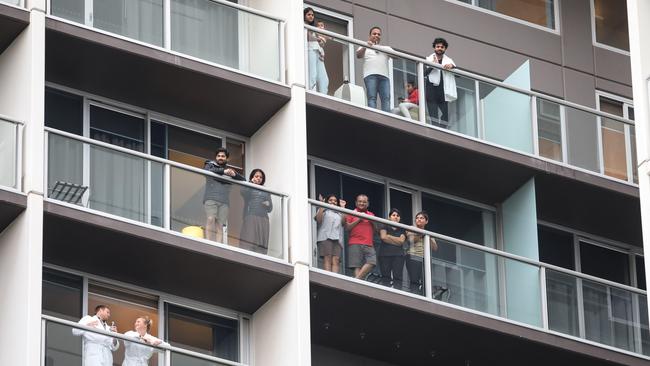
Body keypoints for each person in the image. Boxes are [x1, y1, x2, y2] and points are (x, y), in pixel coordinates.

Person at [203, 147, 245, 243]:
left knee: (220, 224)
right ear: (216, 157)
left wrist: (234, 175)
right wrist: (223, 172)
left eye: (223, 156)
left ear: (226, 158)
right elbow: (207, 171)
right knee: (210, 218)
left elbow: (243, 180)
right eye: (218, 156)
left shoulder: (229, 170)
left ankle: (218, 244)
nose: (220, 158)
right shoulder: (209, 164)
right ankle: (208, 242)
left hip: (224, 201)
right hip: (211, 197)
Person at [356, 26, 395, 112]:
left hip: (384, 77)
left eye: (379, 34)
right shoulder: (364, 46)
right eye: (374, 33)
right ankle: (372, 116)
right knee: (372, 97)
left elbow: (396, 56)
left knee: (386, 99)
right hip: (370, 75)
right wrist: (366, 46)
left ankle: (387, 118)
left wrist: (382, 49)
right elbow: (358, 55)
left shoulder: (386, 48)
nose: (376, 35)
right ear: (369, 35)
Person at [424, 37, 457, 127]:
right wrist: (432, 65)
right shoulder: (428, 59)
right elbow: (423, 73)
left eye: (442, 47)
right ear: (434, 48)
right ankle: (435, 130)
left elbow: (458, 74)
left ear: (445, 49)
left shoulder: (449, 60)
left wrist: (452, 67)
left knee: (445, 115)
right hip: (431, 90)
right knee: (433, 114)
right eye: (437, 46)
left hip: (443, 90)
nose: (439, 48)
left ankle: (442, 129)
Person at [239, 169, 273, 254]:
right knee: (250, 239)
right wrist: (251, 183)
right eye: (256, 176)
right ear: (252, 177)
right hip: (251, 215)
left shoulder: (265, 191)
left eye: (261, 177)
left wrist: (267, 204)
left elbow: (270, 208)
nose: (258, 178)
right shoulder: (248, 186)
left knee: (261, 243)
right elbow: (243, 193)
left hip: (263, 218)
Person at [345, 194, 377, 279]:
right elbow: (347, 228)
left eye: (364, 202)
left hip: (369, 243)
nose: (362, 203)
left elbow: (376, 231)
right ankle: (359, 285)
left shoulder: (371, 214)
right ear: (356, 203)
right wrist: (359, 219)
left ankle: (356, 280)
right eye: (360, 201)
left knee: (372, 262)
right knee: (356, 265)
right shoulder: (351, 213)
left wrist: (372, 220)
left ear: (367, 204)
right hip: (354, 242)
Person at [405, 211, 438, 294]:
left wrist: (428, 237)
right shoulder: (411, 228)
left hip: (425, 258)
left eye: (421, 218)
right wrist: (421, 234)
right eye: (417, 218)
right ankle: (415, 296)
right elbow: (411, 240)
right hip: (413, 256)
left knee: (426, 281)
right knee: (414, 279)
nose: (419, 219)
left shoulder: (428, 233)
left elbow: (435, 248)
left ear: (426, 221)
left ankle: (424, 296)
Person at [314, 193, 347, 273]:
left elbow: (343, 222)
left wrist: (343, 208)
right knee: (327, 257)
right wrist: (322, 204)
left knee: (336, 259)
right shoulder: (324, 210)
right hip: (325, 237)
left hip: (337, 239)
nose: (333, 202)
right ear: (327, 201)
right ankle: (328, 276)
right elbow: (318, 220)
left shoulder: (339, 213)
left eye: (335, 201)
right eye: (331, 200)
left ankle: (335, 277)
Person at [378, 208, 407, 288]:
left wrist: (389, 236)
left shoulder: (402, 228)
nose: (396, 217)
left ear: (400, 218)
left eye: (398, 215)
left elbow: (401, 241)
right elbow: (383, 237)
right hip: (384, 255)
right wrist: (396, 240)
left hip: (398, 256)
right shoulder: (384, 225)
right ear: (389, 217)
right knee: (385, 276)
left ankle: (398, 294)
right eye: (393, 215)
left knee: (398, 277)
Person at [304, 8, 329, 93]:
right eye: (309, 14)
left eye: (312, 15)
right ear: (304, 16)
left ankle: (324, 97)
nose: (311, 16)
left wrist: (322, 50)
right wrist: (317, 39)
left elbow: (322, 43)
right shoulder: (303, 25)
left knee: (324, 78)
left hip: (318, 53)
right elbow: (307, 37)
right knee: (312, 74)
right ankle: (312, 93)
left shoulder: (313, 28)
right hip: (310, 50)